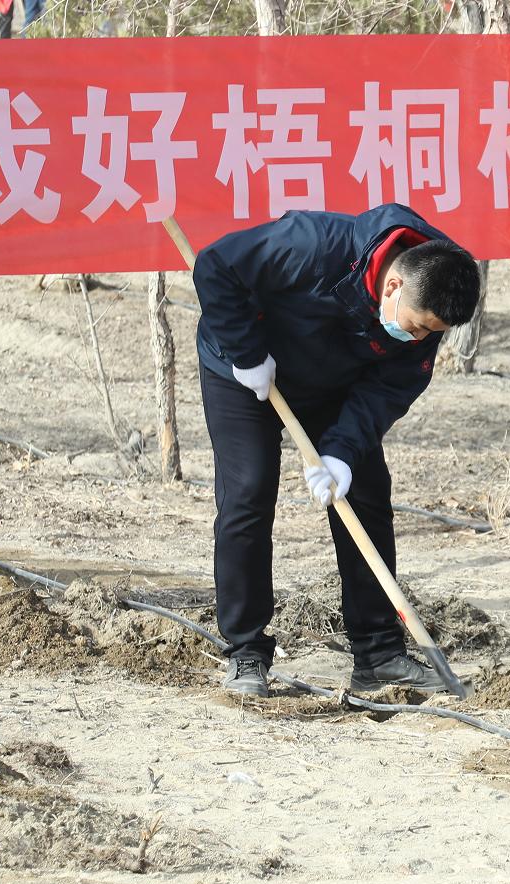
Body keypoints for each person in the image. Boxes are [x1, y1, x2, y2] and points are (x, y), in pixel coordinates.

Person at [193, 205, 481, 698]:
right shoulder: (313, 245)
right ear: (393, 288)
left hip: (336, 386)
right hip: (247, 372)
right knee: (248, 494)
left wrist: (342, 452)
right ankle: (245, 653)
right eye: (416, 326)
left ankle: (379, 656)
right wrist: (245, 353)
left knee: (366, 495)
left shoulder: (428, 306)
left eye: (431, 333)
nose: (419, 339)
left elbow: (391, 389)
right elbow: (216, 265)